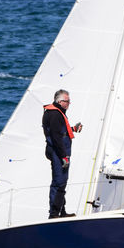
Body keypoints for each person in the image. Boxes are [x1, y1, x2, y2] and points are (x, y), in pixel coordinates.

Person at [43, 89, 83, 218]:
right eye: (67, 101)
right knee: (59, 182)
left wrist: (73, 129)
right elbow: (56, 137)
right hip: (58, 152)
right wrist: (63, 156)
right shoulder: (54, 114)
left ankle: (61, 211)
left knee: (62, 182)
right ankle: (54, 214)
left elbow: (61, 131)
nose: (69, 103)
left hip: (59, 151)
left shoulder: (58, 112)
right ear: (60, 101)